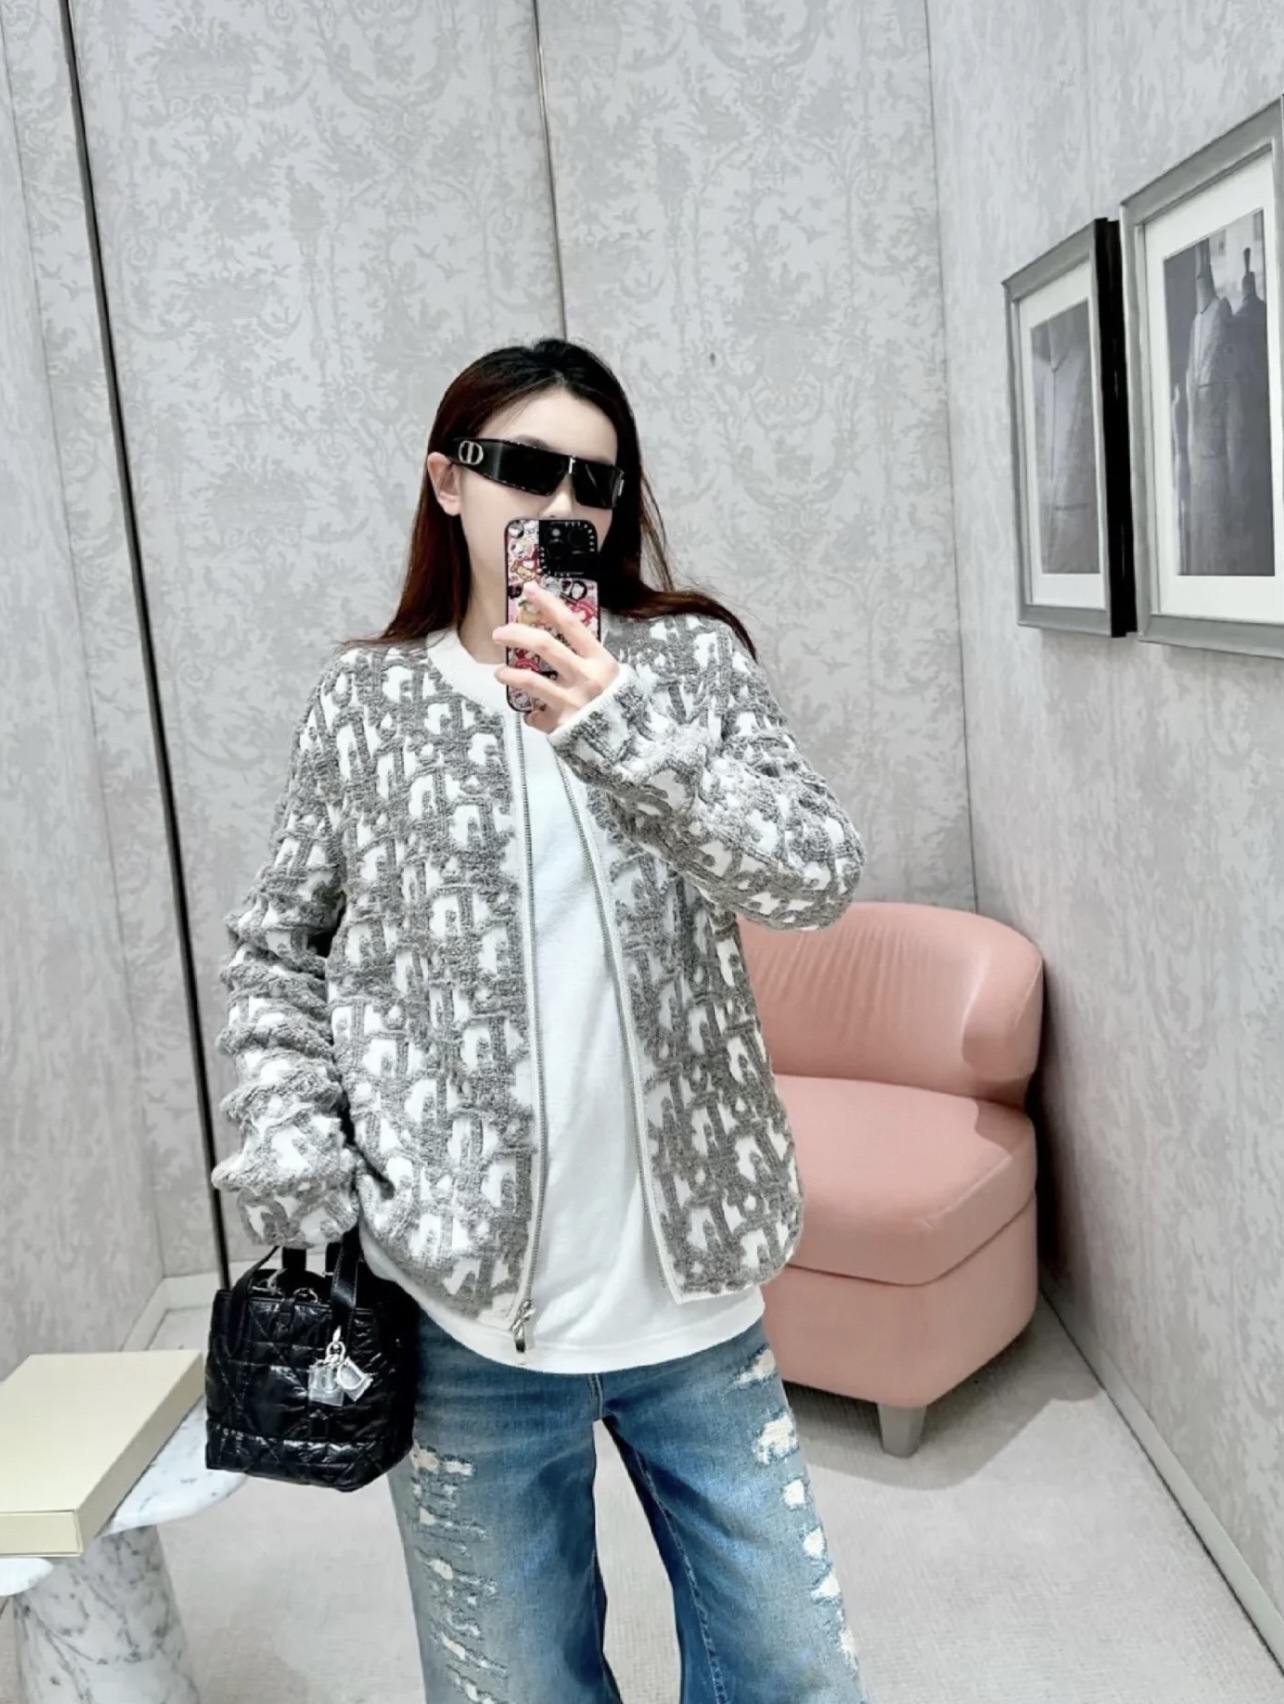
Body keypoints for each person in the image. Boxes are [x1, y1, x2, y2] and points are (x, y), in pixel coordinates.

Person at [211, 338, 870, 1704]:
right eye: (525, 468)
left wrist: (617, 725)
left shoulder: (686, 667)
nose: (564, 505)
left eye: (597, 482)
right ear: (448, 482)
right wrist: (302, 1161)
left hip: (693, 1301)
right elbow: (279, 949)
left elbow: (812, 877)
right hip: (464, 1314)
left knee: (795, 1673)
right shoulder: (367, 704)